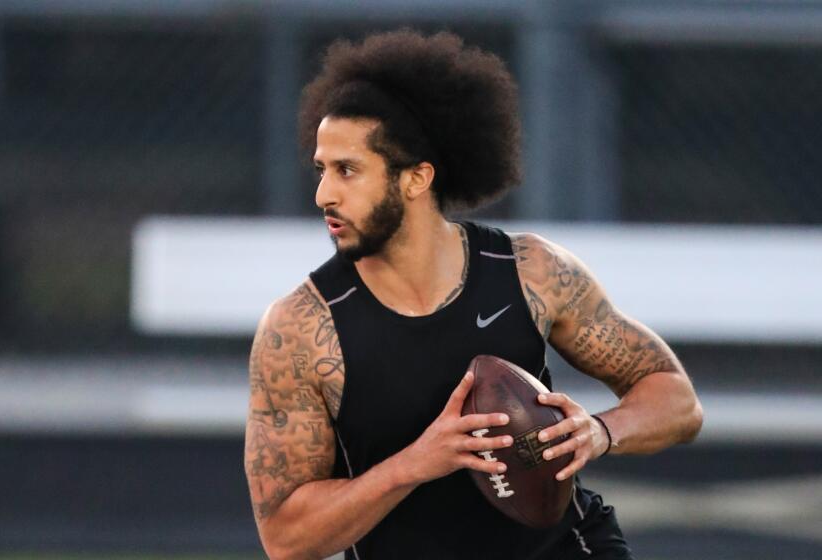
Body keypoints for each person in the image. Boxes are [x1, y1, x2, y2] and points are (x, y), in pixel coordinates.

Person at [244, 29, 703, 560]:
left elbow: (677, 399)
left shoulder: (531, 273)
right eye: (322, 170)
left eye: (348, 171)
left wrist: (599, 431)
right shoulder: (300, 331)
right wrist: (416, 462)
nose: (324, 194)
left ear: (416, 179)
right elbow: (285, 538)